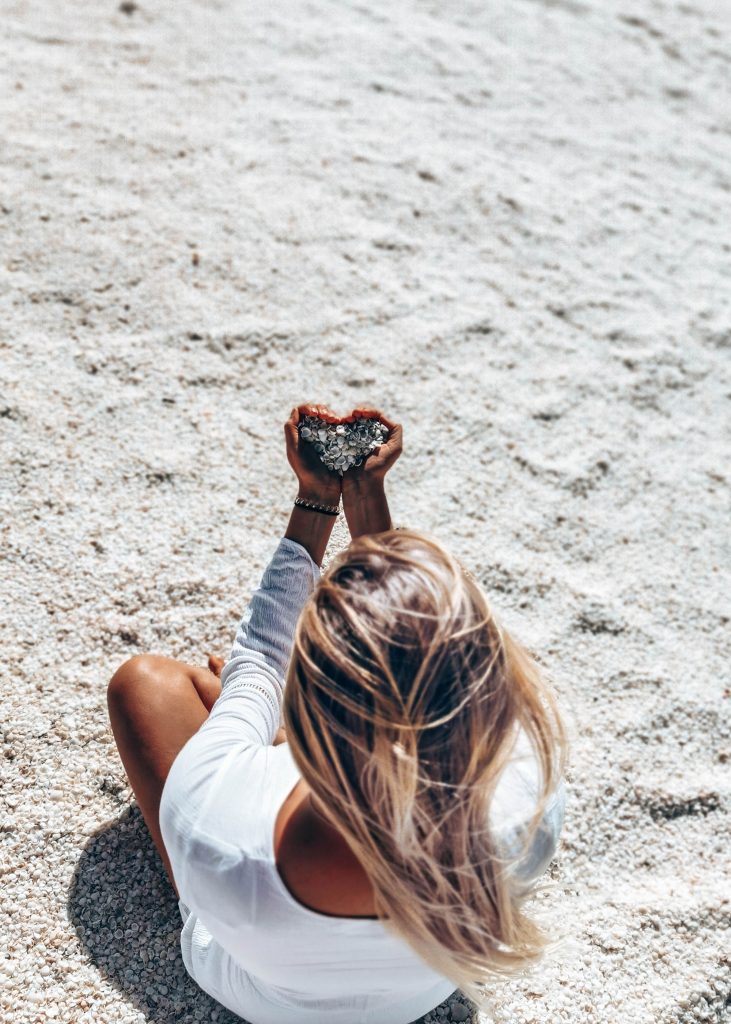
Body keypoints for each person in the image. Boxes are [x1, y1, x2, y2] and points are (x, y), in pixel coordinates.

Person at [107, 402, 569, 1024]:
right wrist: (368, 496)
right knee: (243, 711)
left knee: (146, 684)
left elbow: (260, 660)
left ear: (308, 705)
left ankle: (263, 738)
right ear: (478, 689)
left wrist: (317, 498)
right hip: (418, 996)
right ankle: (270, 735)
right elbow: (414, 654)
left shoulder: (219, 818)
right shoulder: (528, 796)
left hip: (262, 995)